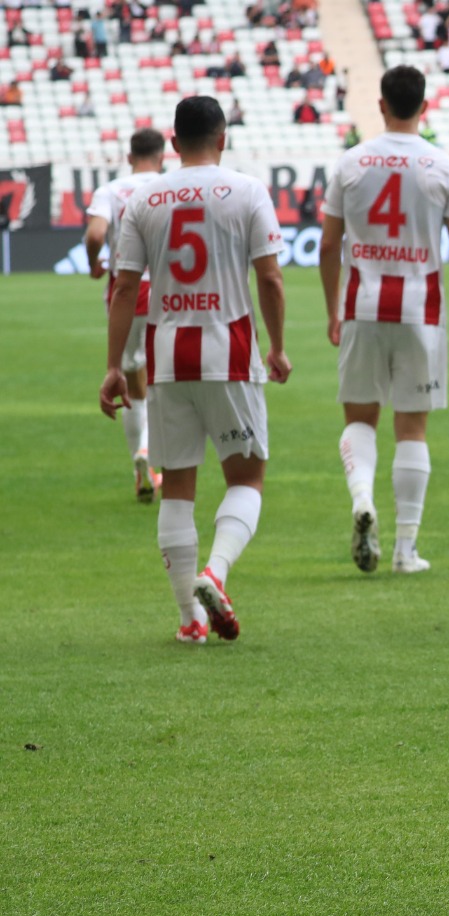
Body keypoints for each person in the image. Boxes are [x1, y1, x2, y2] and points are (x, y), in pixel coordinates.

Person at [98, 95, 290, 644]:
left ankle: (190, 620)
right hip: (228, 352)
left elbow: (126, 287)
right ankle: (216, 572)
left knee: (178, 487)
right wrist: (277, 348)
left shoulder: (144, 197)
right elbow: (271, 279)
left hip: (164, 358)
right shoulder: (248, 190)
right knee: (247, 477)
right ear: (223, 138)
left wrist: (114, 366)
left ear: (174, 143)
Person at [320, 65, 449, 576]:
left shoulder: (351, 163)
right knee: (412, 426)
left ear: (381, 105)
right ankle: (407, 551)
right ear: (423, 106)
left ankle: (362, 498)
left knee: (360, 418)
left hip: (362, 305)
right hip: (421, 309)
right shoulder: (445, 167)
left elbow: (328, 245)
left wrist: (331, 310)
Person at [85, 128, 167, 502]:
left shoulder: (112, 190)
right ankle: (156, 455)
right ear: (162, 156)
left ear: (129, 156)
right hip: (170, 290)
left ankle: (142, 457)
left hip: (127, 290)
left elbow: (95, 234)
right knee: (166, 377)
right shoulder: (172, 186)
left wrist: (93, 265)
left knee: (133, 378)